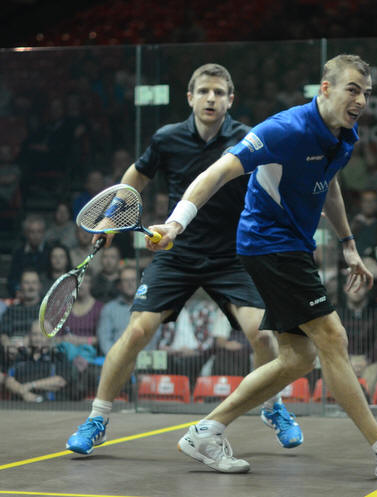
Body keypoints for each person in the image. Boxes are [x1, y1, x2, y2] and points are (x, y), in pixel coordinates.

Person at [149, 54, 377, 481]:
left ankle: (205, 432)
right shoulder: (283, 130)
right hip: (268, 244)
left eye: (366, 93)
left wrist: (348, 244)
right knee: (333, 337)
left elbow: (330, 184)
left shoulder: (343, 134)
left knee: (297, 358)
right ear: (325, 88)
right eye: (352, 90)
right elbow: (219, 171)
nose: (361, 100)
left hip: (292, 247)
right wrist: (176, 223)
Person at [66, 63, 302, 455]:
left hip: (233, 255)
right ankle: (97, 418)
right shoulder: (167, 138)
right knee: (137, 331)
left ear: (230, 100)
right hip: (176, 252)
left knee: (262, 334)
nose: (211, 98)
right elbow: (136, 176)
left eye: (219, 92)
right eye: (204, 91)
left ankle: (273, 406)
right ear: (190, 97)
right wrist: (110, 219)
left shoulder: (248, 137)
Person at [97, 266, 158, 355]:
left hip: (145, 360)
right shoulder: (109, 309)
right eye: (126, 280)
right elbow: (104, 339)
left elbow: (155, 337)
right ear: (120, 285)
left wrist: (142, 357)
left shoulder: (151, 308)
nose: (130, 284)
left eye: (133, 280)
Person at [338, 280, 377, 396]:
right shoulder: (336, 311)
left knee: (371, 378)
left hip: (371, 360)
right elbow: (333, 340)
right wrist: (348, 358)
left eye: (361, 286)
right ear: (345, 288)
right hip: (344, 358)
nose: (356, 290)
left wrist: (367, 359)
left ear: (367, 288)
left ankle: (366, 406)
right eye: (352, 285)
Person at [7, 214, 50, 297]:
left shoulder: (50, 252)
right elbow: (12, 279)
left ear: (44, 233)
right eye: (32, 232)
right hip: (23, 296)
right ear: (26, 233)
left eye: (39, 231)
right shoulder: (18, 253)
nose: (36, 235)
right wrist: (17, 291)